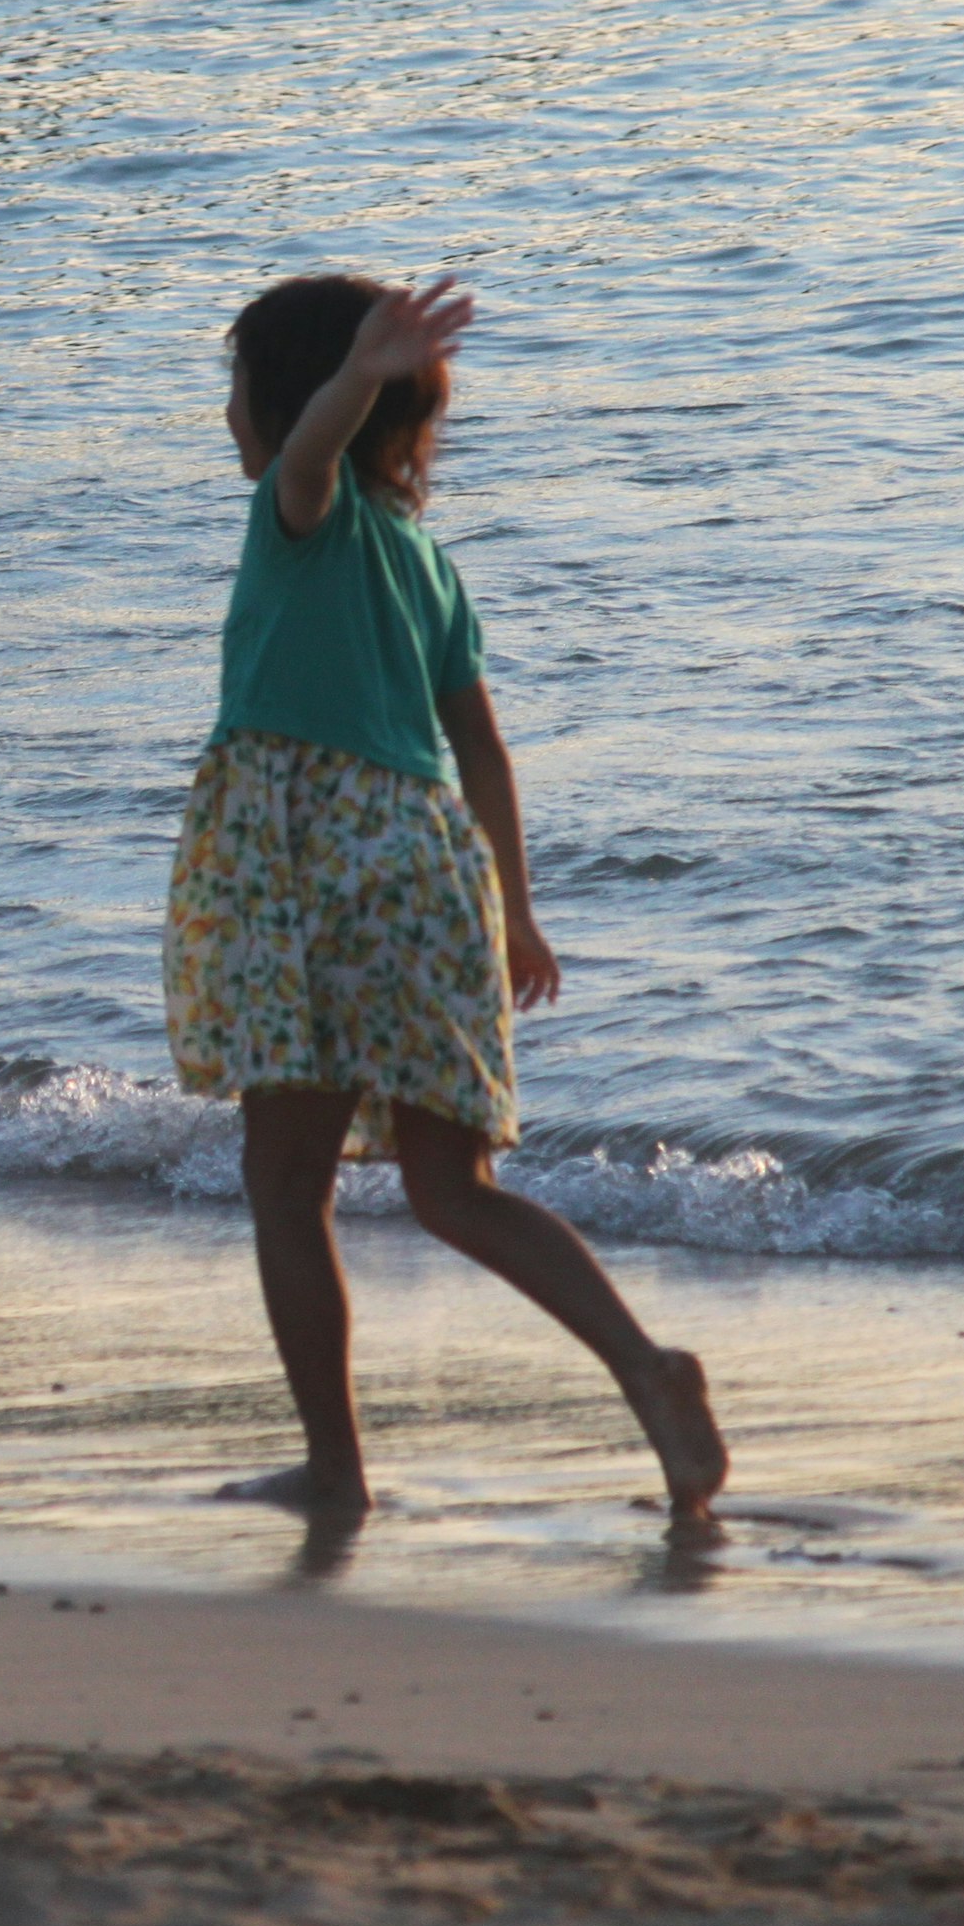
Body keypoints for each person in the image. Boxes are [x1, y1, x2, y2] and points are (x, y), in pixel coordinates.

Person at [163, 271, 726, 1536]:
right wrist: (515, 910)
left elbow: (310, 452)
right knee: (451, 1186)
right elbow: (484, 750)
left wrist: (350, 376)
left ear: (291, 404)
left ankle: (335, 1471)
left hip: (315, 871)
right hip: (434, 871)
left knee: (286, 1178)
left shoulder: (299, 517)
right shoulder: (427, 561)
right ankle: (647, 1368)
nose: (232, 418)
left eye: (237, 389)